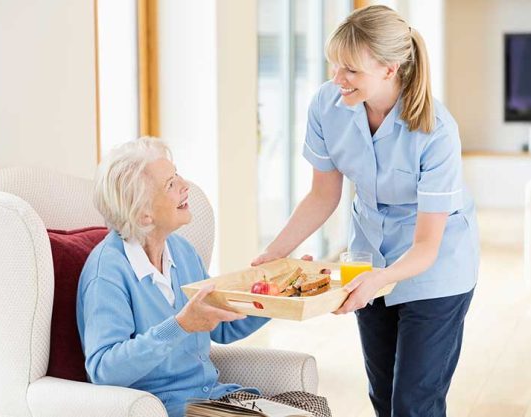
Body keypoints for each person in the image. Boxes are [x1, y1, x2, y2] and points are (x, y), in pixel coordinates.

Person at [253, 5, 479, 417]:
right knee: (383, 396)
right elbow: (323, 195)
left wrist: (381, 280)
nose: (337, 79)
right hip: (368, 256)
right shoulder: (328, 104)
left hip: (436, 268)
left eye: (351, 70)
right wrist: (274, 253)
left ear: (390, 69)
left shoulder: (436, 130)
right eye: (334, 66)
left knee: (414, 404)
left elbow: (428, 245)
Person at [77, 137, 331, 417]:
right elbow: (104, 370)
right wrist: (180, 325)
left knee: (313, 409)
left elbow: (222, 326)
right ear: (143, 215)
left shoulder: (181, 251)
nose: (185, 186)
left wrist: (284, 292)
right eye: (171, 184)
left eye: (177, 176)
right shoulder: (108, 273)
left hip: (213, 398)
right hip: (166, 408)